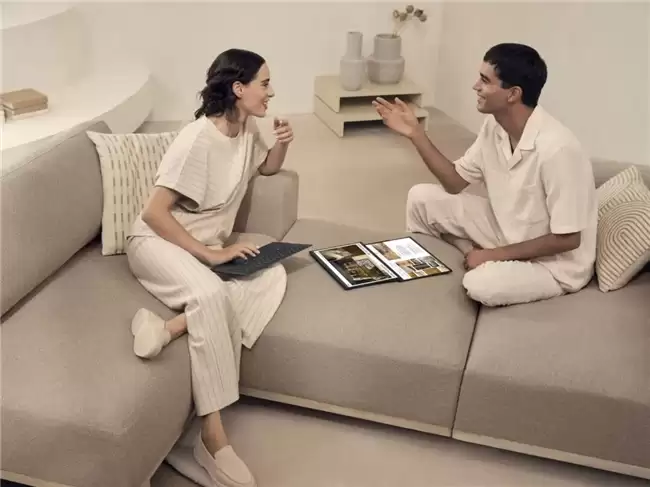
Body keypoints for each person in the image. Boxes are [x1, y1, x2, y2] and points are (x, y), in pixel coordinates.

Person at [125, 48, 294, 487]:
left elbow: (266, 169)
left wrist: (282, 145)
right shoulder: (196, 140)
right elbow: (153, 214)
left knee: (271, 270)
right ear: (239, 88)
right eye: (265, 84)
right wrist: (210, 255)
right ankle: (211, 439)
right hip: (158, 242)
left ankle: (171, 327)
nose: (271, 92)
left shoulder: (246, 126)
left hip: (201, 244)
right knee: (212, 293)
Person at [373, 43, 597, 307]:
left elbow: (568, 239)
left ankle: (478, 260)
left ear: (513, 94)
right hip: (505, 229)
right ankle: (466, 257)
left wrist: (493, 255)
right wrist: (416, 134)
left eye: (485, 80)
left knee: (481, 285)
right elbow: (455, 182)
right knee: (420, 197)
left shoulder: (558, 149)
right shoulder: (494, 125)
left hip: (553, 265)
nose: (475, 86)